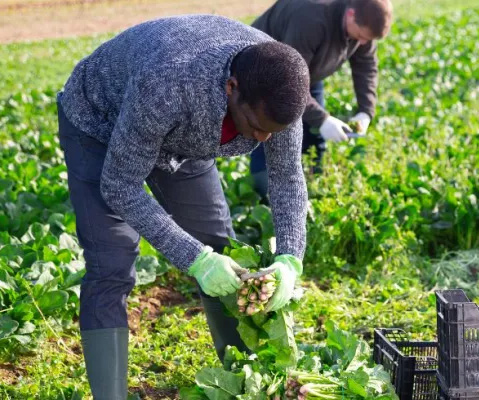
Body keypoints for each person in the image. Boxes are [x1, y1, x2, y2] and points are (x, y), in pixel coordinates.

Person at [57, 15, 309, 399]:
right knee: (111, 263)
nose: (262, 138)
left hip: (182, 136)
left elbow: (287, 179)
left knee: (221, 248)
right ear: (231, 87)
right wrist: (196, 260)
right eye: (256, 125)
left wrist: (290, 259)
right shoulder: (168, 85)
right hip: (100, 123)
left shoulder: (281, 88)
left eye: (271, 131)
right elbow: (120, 186)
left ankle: (246, 383)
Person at [249, 0, 394, 194]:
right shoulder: (310, 19)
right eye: (361, 36)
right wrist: (322, 119)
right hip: (264, 73)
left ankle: (311, 183)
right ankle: (265, 191)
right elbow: (287, 81)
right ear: (350, 15)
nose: (363, 43)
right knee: (271, 135)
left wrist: (366, 111)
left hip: (306, 70)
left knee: (314, 139)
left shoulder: (363, 25)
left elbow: (366, 65)